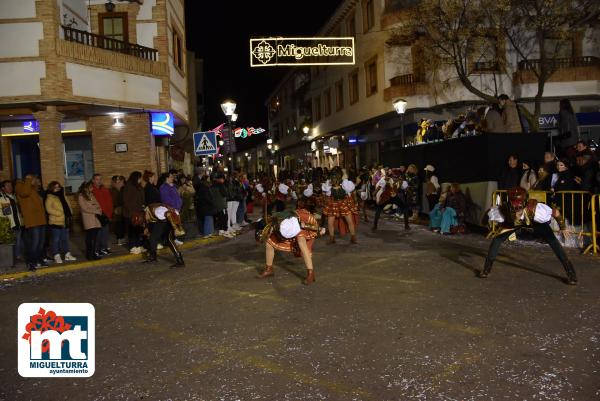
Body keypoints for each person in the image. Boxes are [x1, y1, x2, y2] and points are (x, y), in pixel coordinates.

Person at [482, 186, 577, 285]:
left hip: (535, 222)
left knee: (553, 242)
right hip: (514, 224)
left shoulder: (536, 209)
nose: (517, 211)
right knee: (497, 240)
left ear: (524, 203)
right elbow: (490, 211)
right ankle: (486, 269)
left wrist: (562, 227)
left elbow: (556, 212)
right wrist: (484, 219)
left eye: (519, 207)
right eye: (514, 207)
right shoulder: (504, 209)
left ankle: (571, 273)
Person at [257, 209, 325, 285]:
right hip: (282, 230)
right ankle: (269, 269)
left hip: (302, 228)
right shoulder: (277, 220)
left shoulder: (304, 217)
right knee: (269, 243)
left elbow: (315, 224)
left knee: (302, 243)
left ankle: (311, 274)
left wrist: (319, 228)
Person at [15, 174, 47, 271]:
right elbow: (25, 193)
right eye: (34, 179)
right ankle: (31, 262)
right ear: (29, 178)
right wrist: (28, 180)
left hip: (40, 219)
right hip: (32, 220)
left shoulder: (33, 188)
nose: (36, 180)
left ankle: (38, 259)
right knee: (34, 242)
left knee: (41, 242)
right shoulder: (19, 185)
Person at [140, 203, 185, 268]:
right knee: (153, 238)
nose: (146, 219)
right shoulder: (148, 212)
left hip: (171, 221)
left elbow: (170, 214)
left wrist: (176, 228)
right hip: (163, 222)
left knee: (169, 239)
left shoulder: (158, 211)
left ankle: (180, 261)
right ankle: (153, 257)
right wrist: (147, 228)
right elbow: (150, 221)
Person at [45, 181, 76, 264]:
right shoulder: (50, 197)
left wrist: (70, 212)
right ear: (52, 188)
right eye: (55, 187)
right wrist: (60, 213)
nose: (57, 188)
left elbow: (68, 205)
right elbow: (49, 209)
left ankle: (67, 254)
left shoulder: (63, 196)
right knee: (56, 240)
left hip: (65, 221)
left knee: (65, 239)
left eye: (58, 187)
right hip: (56, 221)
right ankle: (56, 255)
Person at [322, 172, 358, 244]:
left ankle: (353, 237)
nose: (334, 180)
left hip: (343, 204)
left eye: (335, 179)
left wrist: (355, 201)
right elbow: (325, 196)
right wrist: (325, 201)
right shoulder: (329, 188)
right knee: (330, 222)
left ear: (338, 179)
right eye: (333, 179)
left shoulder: (345, 185)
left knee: (350, 221)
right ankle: (332, 238)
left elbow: (353, 191)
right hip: (333, 205)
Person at [77, 181, 103, 261]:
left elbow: (97, 204)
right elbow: (84, 208)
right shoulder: (81, 196)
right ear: (86, 188)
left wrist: (98, 209)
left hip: (96, 218)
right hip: (89, 219)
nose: (92, 188)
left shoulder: (91, 195)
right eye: (90, 187)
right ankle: (89, 254)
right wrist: (95, 210)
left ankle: (93, 253)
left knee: (94, 238)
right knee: (90, 237)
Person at [0, 180, 24, 263]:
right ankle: (12, 258)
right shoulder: (2, 198)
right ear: (3, 188)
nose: (10, 187)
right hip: (9, 224)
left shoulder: (14, 196)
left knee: (19, 241)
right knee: (12, 242)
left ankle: (18, 256)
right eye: (7, 186)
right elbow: (6, 213)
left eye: (11, 185)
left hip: (17, 222)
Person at [122, 171, 145, 254]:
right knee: (132, 231)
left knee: (138, 230)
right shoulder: (128, 187)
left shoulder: (139, 186)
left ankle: (138, 245)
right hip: (131, 213)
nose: (141, 180)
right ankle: (132, 247)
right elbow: (126, 201)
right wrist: (132, 212)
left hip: (139, 212)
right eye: (140, 178)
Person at [92, 174, 113, 256]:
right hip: (97, 215)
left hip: (106, 215)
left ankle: (104, 248)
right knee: (98, 234)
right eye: (97, 179)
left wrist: (110, 214)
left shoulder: (105, 190)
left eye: (100, 179)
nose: (99, 181)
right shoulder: (92, 190)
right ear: (93, 180)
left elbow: (109, 202)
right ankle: (97, 249)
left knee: (105, 233)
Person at [110, 175, 126, 246]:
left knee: (122, 224)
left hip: (122, 209)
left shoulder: (122, 189)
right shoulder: (113, 191)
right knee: (118, 224)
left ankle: (121, 237)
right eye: (118, 181)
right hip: (116, 209)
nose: (119, 182)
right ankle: (119, 238)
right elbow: (113, 201)